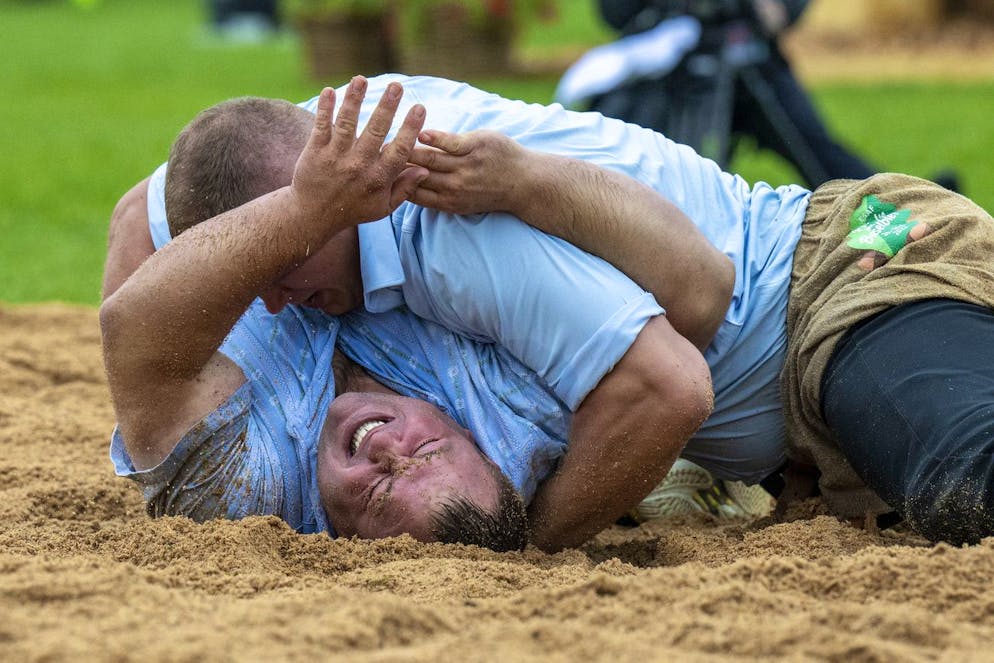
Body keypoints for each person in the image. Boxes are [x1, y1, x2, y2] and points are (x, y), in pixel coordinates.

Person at [107, 73, 992, 552]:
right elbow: (139, 210)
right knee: (921, 479)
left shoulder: (434, 216)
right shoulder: (323, 149)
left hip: (856, 257)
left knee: (969, 478)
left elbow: (697, 311)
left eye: (283, 259)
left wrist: (533, 546)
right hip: (800, 409)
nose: (268, 295)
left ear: (334, 196)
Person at [103, 76, 726, 553]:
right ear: (477, 445)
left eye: (378, 496)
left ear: (347, 550)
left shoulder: (254, 488)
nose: (388, 454)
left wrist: (310, 208)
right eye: (427, 450)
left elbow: (134, 320)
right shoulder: (516, 418)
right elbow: (701, 287)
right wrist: (529, 180)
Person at [560, 0, 958, 192]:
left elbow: (784, 11)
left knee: (815, 148)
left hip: (752, 61)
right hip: (668, 70)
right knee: (645, 162)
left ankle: (899, 205)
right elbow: (614, 12)